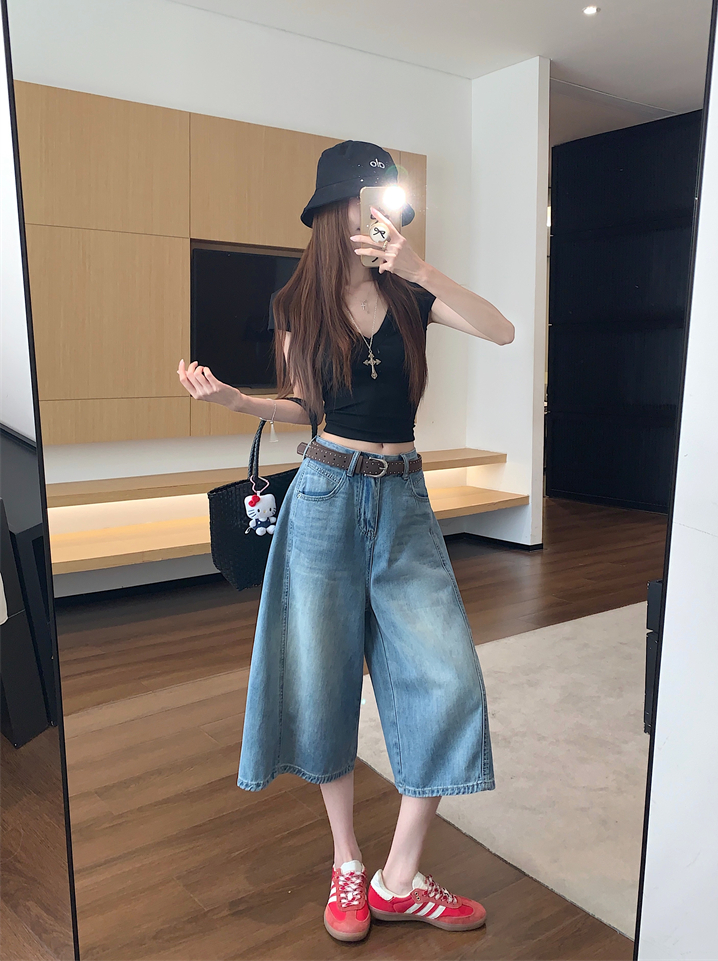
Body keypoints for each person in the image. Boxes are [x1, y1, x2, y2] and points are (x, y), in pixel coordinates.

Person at [177, 140, 515, 943]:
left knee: (450, 678)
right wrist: (237, 401)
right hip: (326, 494)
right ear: (338, 211)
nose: (381, 220)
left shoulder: (411, 293)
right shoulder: (297, 301)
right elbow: (305, 405)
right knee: (322, 677)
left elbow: (501, 330)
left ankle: (400, 877)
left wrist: (422, 268)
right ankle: (348, 862)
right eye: (370, 205)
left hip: (404, 500)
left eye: (389, 208)